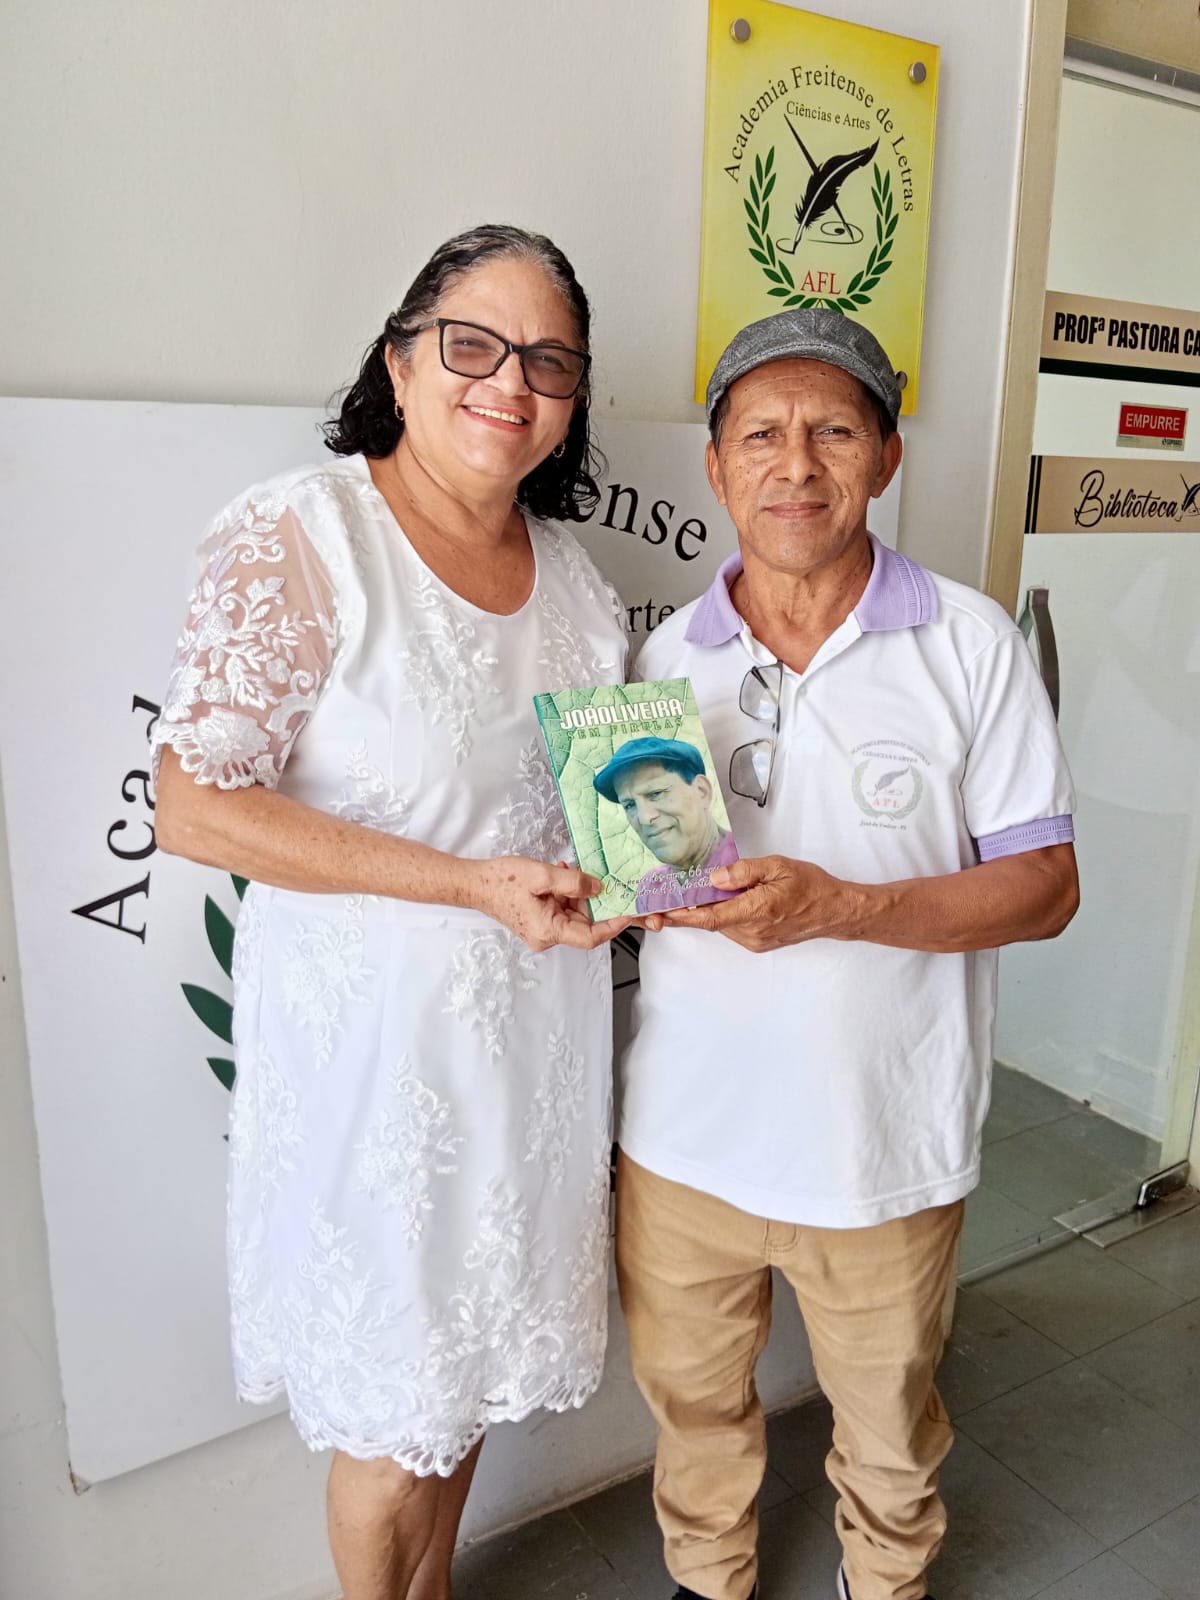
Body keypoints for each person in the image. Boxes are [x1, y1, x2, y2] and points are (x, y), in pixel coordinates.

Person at [153, 224, 630, 1600]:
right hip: (375, 1074)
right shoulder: (305, 535)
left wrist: (656, 877)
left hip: (531, 1061)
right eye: (472, 345)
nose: (510, 382)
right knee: (388, 1417)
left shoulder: (579, 587)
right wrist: (470, 883)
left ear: (572, 399)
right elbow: (194, 809)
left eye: (548, 360)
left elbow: (612, 821)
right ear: (400, 364)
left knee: (466, 1381)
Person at [615, 308, 1079, 1600]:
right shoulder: (662, 660)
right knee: (693, 1413)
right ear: (717, 467)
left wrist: (842, 907)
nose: (796, 465)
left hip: (885, 1139)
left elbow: (1047, 890)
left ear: (885, 455)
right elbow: (653, 879)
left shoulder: (969, 645)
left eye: (832, 430)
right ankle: (708, 1578)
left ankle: (886, 1581)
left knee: (889, 1428)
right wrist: (622, 894)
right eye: (760, 435)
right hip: (684, 1140)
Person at [592, 737, 738, 912]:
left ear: (702, 791)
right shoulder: (650, 890)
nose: (645, 818)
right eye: (630, 805)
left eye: (656, 793)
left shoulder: (747, 860)